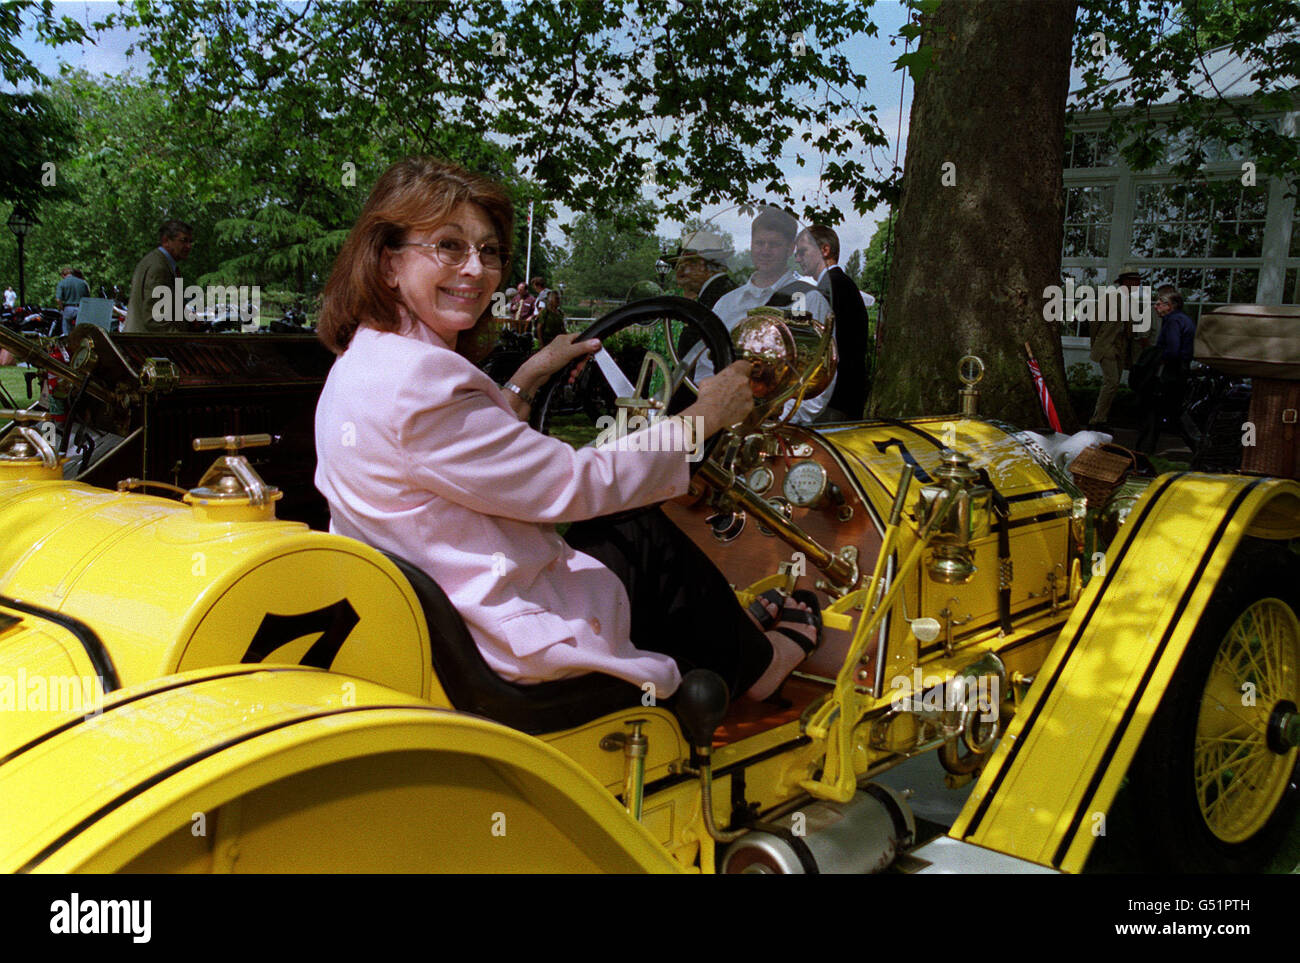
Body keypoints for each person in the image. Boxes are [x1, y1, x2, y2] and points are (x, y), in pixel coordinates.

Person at [313, 156, 819, 705]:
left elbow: (463, 459)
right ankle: (760, 666)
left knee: (619, 539)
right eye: (449, 246)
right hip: (495, 639)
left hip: (439, 620)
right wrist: (705, 416)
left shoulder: (364, 361)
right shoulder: (422, 381)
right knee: (636, 530)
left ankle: (728, 631)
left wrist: (529, 379)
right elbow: (577, 486)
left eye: (489, 251)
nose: (476, 270)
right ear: (389, 263)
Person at [698, 207, 835, 425]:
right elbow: (705, 367)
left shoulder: (809, 299)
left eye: (774, 244)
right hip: (722, 423)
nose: (765, 250)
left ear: (790, 249)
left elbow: (820, 377)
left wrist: (778, 418)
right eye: (759, 243)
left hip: (778, 426)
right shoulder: (727, 303)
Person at [795, 224, 869, 422]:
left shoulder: (831, 287)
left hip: (833, 402)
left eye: (802, 252)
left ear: (825, 250)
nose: (797, 259)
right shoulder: (842, 284)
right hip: (846, 397)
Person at [1136, 285, 1199, 454]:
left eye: (1160, 303)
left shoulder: (1172, 321)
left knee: (1153, 412)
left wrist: (1157, 361)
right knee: (1174, 413)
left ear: (1170, 306)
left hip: (1169, 373)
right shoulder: (1184, 319)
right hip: (1179, 371)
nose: (1156, 306)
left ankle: (1144, 450)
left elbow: (1172, 349)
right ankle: (1198, 445)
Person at [1087, 265, 1142, 430]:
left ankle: (1101, 418)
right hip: (1107, 345)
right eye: (1134, 281)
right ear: (1125, 282)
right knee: (1111, 382)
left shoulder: (1132, 301)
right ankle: (1097, 420)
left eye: (1138, 282)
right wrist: (1096, 345)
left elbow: (1129, 327)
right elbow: (1094, 322)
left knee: (1115, 382)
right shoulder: (1110, 298)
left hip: (1121, 346)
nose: (1137, 285)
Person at [124, 220, 194, 333]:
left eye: (190, 241)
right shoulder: (159, 268)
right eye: (183, 241)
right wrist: (184, 340)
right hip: (147, 345)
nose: (189, 246)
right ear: (166, 240)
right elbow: (155, 319)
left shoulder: (157, 262)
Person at [671, 229, 737, 312]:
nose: (679, 273)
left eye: (683, 266)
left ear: (700, 265)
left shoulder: (715, 296)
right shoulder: (728, 289)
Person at [54, 266, 90, 336]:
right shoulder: (83, 283)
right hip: (81, 309)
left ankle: (68, 342)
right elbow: (88, 298)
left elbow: (58, 299)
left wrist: (62, 308)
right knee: (81, 331)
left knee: (67, 330)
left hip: (68, 308)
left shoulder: (62, 283)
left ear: (63, 275)